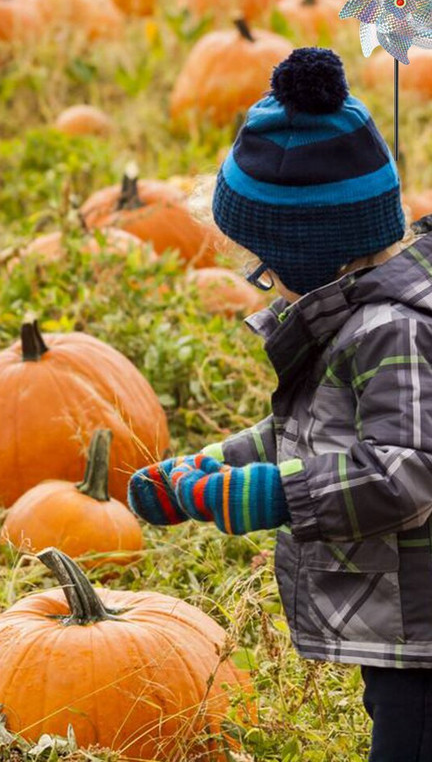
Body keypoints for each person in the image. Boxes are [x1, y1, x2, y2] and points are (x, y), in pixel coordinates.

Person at [127, 47, 432, 761]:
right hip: (405, 614)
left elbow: (408, 471)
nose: (263, 285)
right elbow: (304, 431)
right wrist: (206, 470)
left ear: (309, 260)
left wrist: (274, 496)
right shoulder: (355, 314)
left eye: (262, 269)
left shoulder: (394, 332)